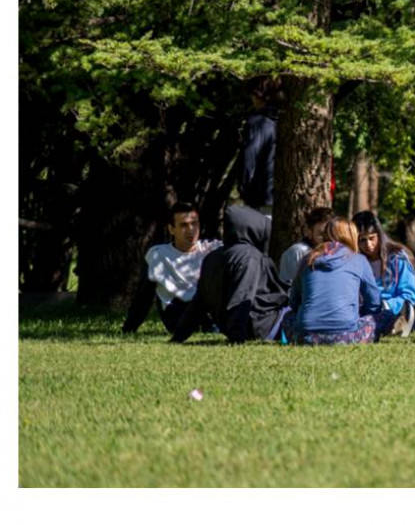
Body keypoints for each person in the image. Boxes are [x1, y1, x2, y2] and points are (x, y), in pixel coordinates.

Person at [171, 205, 290, 344]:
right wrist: (237, 338)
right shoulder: (250, 257)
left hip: (238, 326)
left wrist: (179, 336)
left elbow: (198, 304)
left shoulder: (212, 258)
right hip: (261, 325)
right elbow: (242, 296)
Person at [283, 217, 400, 345]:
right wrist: (361, 316)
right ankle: (396, 325)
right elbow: (373, 302)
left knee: (288, 316)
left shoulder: (308, 259)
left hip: (305, 337)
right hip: (346, 336)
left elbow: (294, 301)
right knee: (386, 315)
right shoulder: (359, 260)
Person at [121, 202, 222, 334]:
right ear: (171, 229)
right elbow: (144, 296)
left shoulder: (211, 249)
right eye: (184, 225)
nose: (191, 229)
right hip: (178, 313)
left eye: (194, 223)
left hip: (208, 310)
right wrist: (129, 327)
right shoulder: (159, 255)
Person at [352, 211, 415, 336]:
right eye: (362, 240)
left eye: (372, 238)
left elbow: (409, 295)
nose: (368, 245)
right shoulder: (353, 260)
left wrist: (387, 305)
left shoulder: (398, 258)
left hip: (392, 309)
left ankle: (396, 324)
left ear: (380, 235)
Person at [238, 77, 278, 214]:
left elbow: (249, 158)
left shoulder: (256, 122)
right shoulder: (282, 120)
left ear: (255, 95)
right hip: (278, 194)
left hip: (259, 196)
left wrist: (244, 189)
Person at [278, 206, 334, 284]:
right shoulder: (297, 253)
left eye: (330, 233)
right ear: (309, 232)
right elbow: (288, 288)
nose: (327, 238)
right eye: (321, 234)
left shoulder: (340, 253)